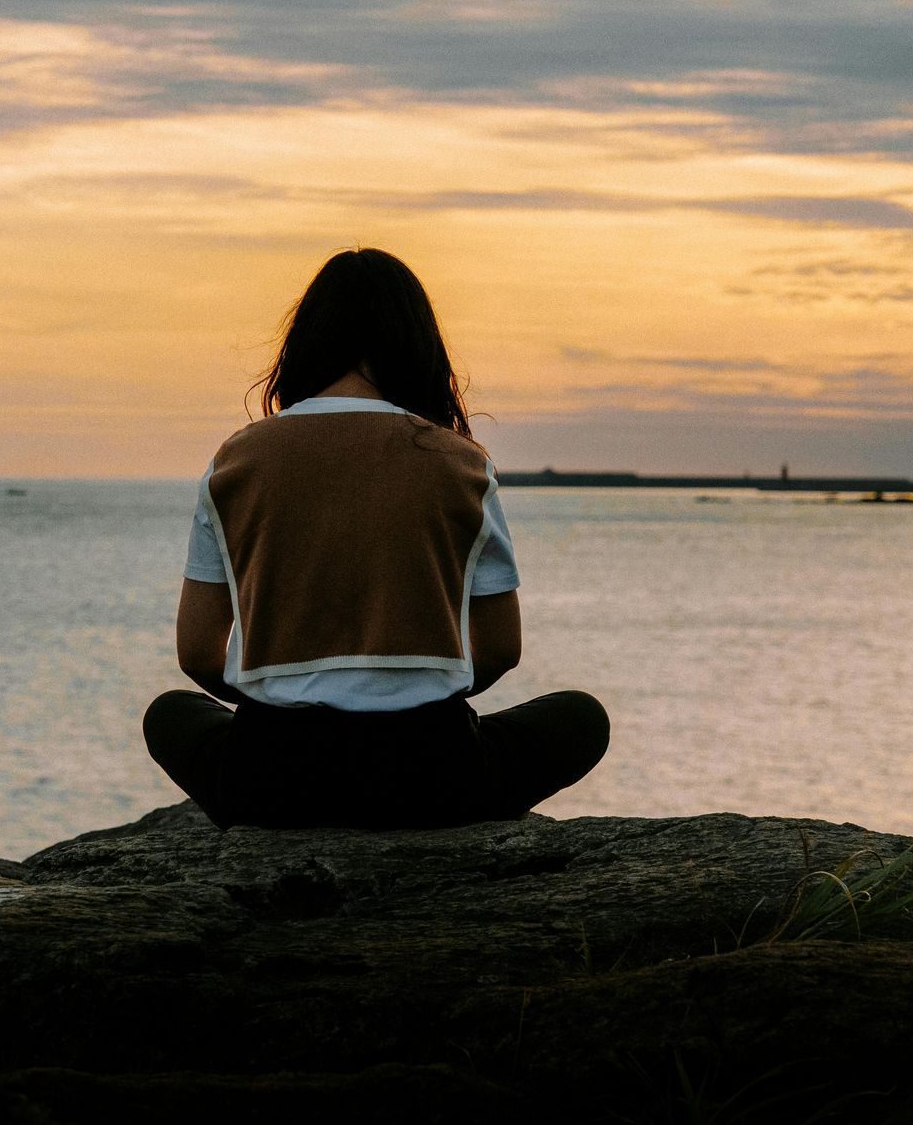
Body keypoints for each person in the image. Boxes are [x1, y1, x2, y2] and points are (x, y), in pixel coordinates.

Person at [143, 248, 608, 829]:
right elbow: (500, 649)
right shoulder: (461, 465)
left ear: (305, 344)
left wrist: (288, 705)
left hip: (269, 780)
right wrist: (413, 697)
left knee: (168, 714)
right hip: (435, 778)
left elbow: (196, 654)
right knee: (582, 717)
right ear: (418, 345)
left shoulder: (235, 461)